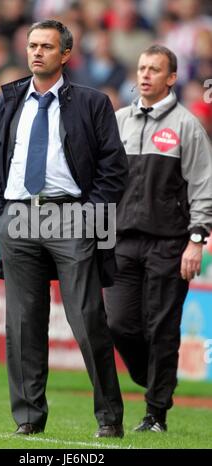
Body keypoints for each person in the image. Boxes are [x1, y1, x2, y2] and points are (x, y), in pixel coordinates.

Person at [0, 20, 128, 438]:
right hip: (19, 217)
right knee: (23, 324)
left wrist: (89, 216)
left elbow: (114, 169)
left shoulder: (92, 102)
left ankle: (109, 419)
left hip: (71, 217)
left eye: (46, 46)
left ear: (65, 54)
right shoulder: (8, 99)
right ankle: (28, 419)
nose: (37, 52)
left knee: (87, 320)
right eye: (31, 45)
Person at [104, 44, 212, 432]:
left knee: (161, 327)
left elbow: (203, 186)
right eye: (141, 68)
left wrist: (196, 239)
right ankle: (153, 379)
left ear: (171, 78)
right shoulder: (117, 121)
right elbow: (102, 180)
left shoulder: (187, 126)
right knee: (118, 323)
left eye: (155, 69)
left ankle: (156, 413)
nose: (145, 75)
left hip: (170, 242)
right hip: (121, 241)